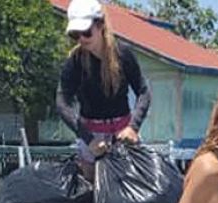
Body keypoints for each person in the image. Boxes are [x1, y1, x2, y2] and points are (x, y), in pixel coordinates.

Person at [57, 0, 151, 179]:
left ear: (100, 25)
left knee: (135, 188)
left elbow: (144, 91)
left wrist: (133, 127)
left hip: (124, 133)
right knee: (93, 191)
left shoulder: (123, 54)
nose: (81, 40)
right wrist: (88, 139)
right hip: (91, 137)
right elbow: (62, 103)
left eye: (86, 32)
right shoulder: (75, 62)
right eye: (75, 35)